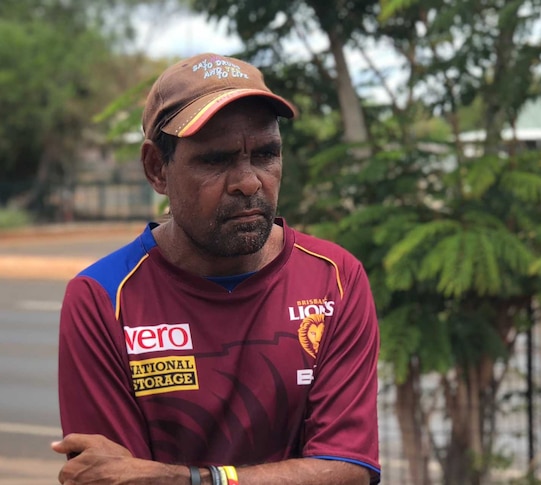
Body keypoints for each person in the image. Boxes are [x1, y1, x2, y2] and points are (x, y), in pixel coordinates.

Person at [52, 53, 381, 485]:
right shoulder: (102, 298)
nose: (248, 182)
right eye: (216, 160)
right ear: (156, 168)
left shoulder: (335, 279)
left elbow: (347, 469)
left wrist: (181, 479)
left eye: (266, 154)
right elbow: (111, 478)